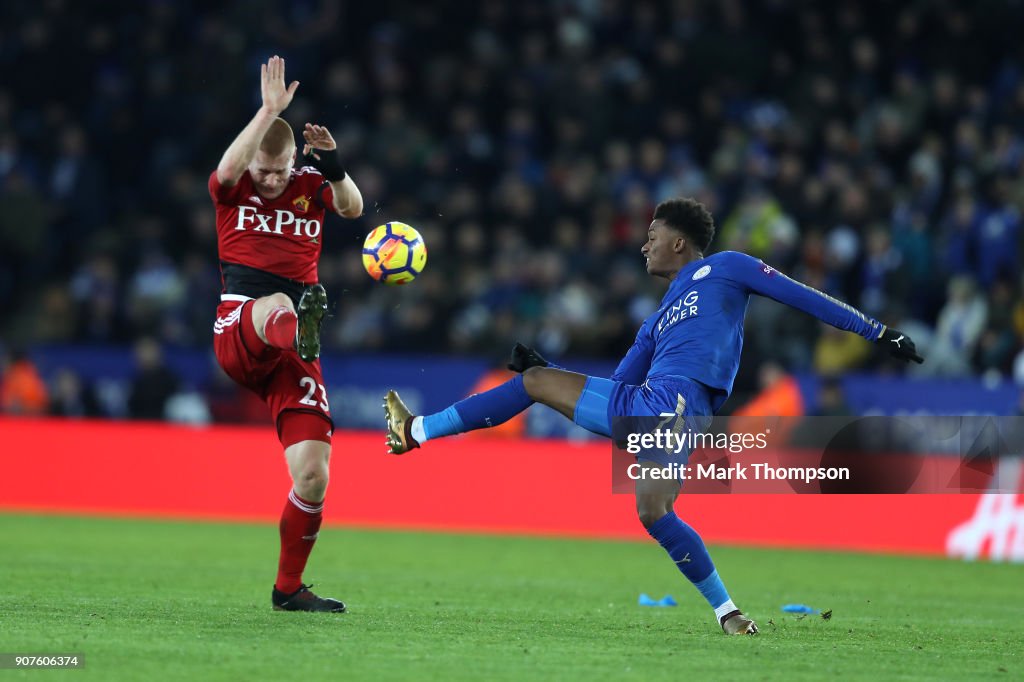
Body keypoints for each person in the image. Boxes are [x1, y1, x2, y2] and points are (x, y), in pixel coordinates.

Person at [383, 198, 923, 635]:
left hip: (682, 405)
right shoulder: (657, 318)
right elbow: (618, 388)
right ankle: (416, 431)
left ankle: (727, 612)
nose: (644, 243)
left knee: (651, 509)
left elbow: (801, 296)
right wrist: (554, 376)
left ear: (679, 242)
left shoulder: (727, 267)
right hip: (647, 405)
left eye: (652, 234)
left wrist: (879, 332)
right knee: (534, 383)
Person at [210, 56, 363, 612]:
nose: (271, 180)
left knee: (315, 474)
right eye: (263, 171)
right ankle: (298, 327)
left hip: (295, 348)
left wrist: (337, 167)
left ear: (295, 160)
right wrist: (268, 112)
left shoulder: (307, 183)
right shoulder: (233, 187)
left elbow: (353, 208)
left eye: (280, 170)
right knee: (279, 302)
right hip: (243, 323)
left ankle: (288, 589)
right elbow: (228, 171)